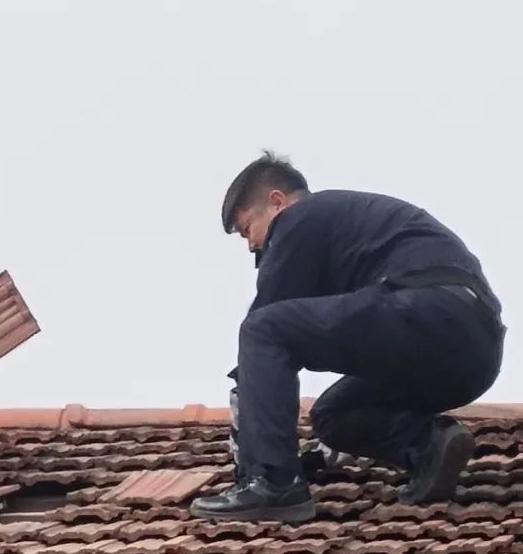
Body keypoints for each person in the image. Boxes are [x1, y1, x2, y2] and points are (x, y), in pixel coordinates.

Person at [191, 151, 505, 523]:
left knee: (262, 331)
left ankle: (275, 485)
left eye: (248, 229)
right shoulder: (347, 230)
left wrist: (250, 448)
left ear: (276, 202)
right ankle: (428, 445)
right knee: (334, 416)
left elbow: (268, 323)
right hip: (477, 352)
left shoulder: (299, 217)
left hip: (425, 308)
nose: (251, 246)